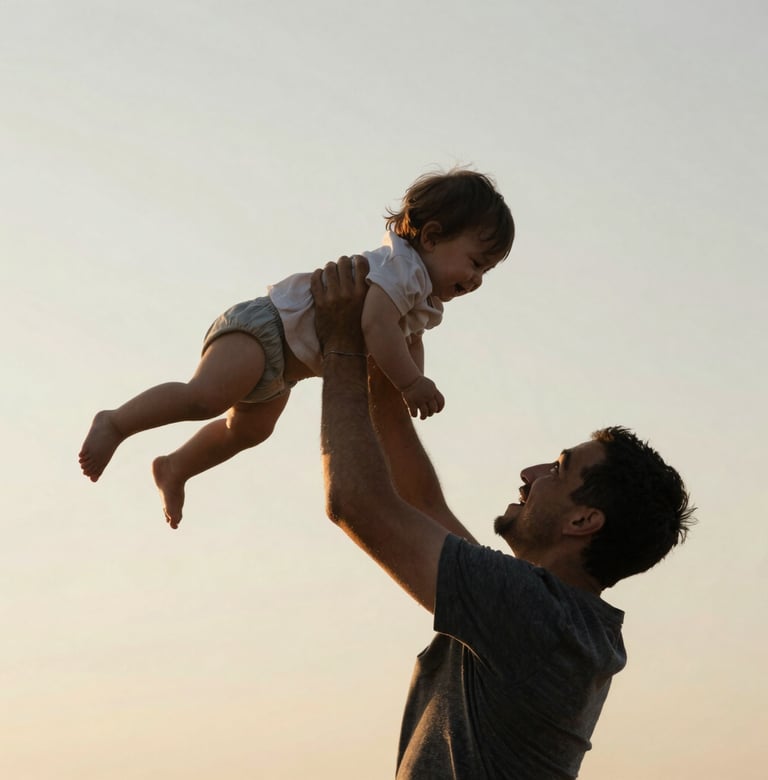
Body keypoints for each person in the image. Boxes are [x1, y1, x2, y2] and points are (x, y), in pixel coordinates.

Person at [312, 256, 695, 779]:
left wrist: (341, 348)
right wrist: (385, 367)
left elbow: (356, 502)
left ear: (583, 521)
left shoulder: (535, 616)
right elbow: (422, 504)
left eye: (558, 470)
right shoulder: (556, 618)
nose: (530, 473)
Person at [78, 168, 515, 528]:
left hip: (285, 369)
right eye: (476, 263)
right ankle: (115, 423)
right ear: (433, 236)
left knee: (249, 430)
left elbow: (406, 340)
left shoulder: (423, 297)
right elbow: (377, 326)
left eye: (487, 272)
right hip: (264, 328)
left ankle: (175, 467)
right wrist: (411, 383)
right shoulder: (402, 269)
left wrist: (408, 386)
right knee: (205, 396)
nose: (476, 279)